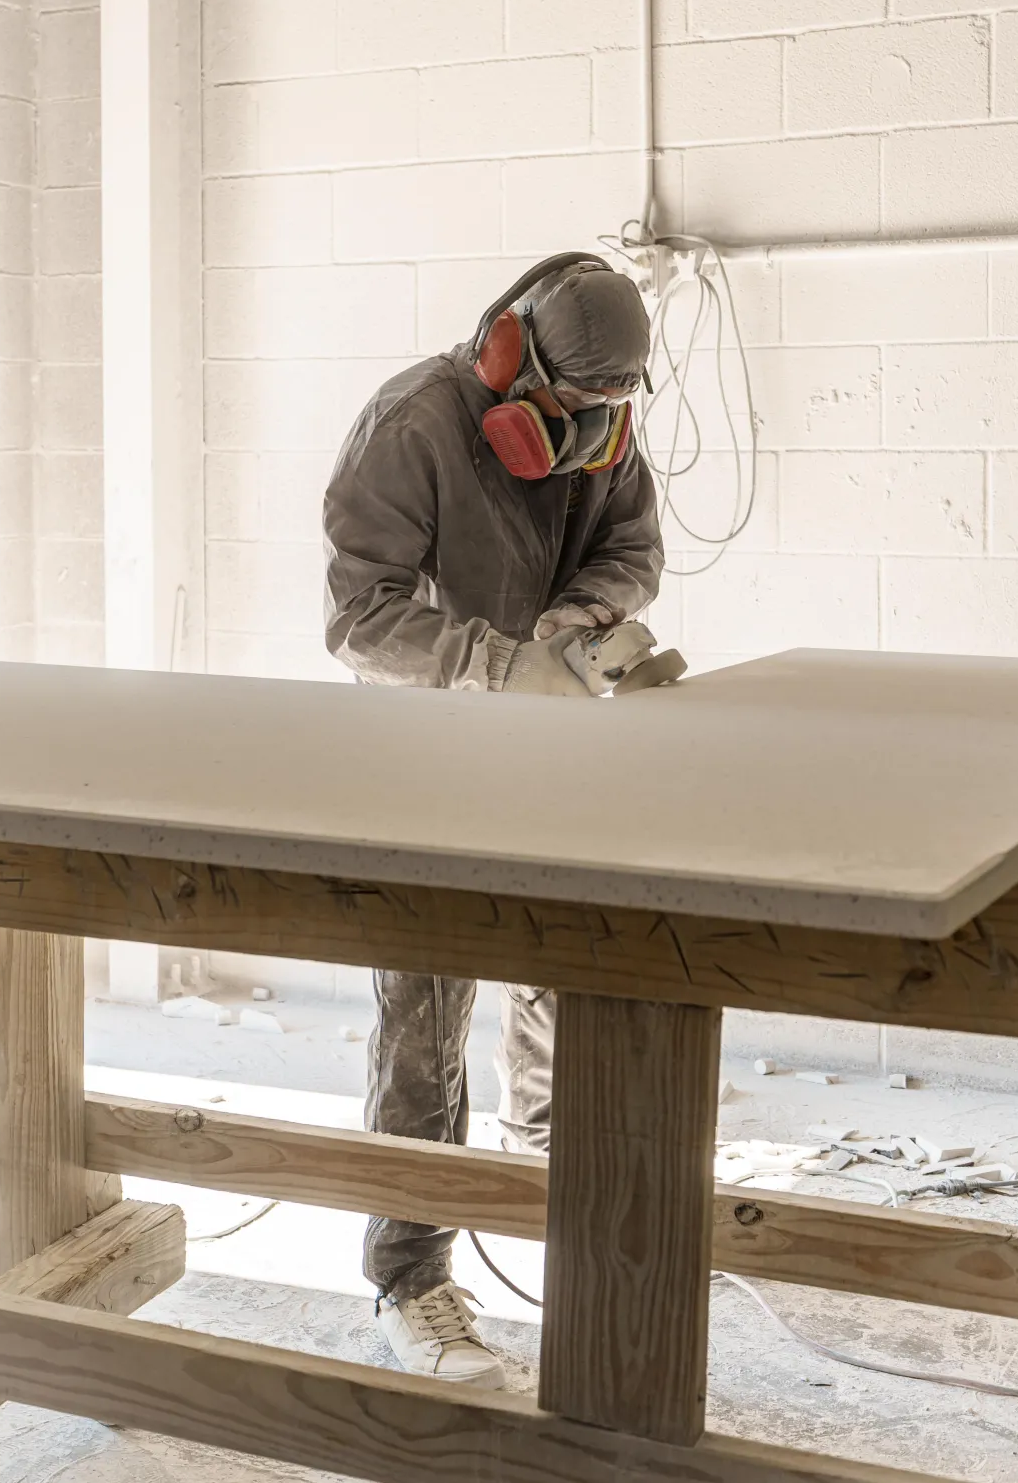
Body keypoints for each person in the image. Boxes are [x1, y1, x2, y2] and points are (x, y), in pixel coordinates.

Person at [322, 252, 664, 1388]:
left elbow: (634, 547)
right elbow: (361, 615)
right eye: (570, 406)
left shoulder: (601, 425)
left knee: (567, 969)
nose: (585, 430)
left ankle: (554, 1196)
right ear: (508, 353)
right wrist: (494, 664)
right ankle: (410, 1274)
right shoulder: (410, 426)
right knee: (425, 1016)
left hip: (553, 748)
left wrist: (578, 620)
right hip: (424, 752)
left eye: (607, 410)